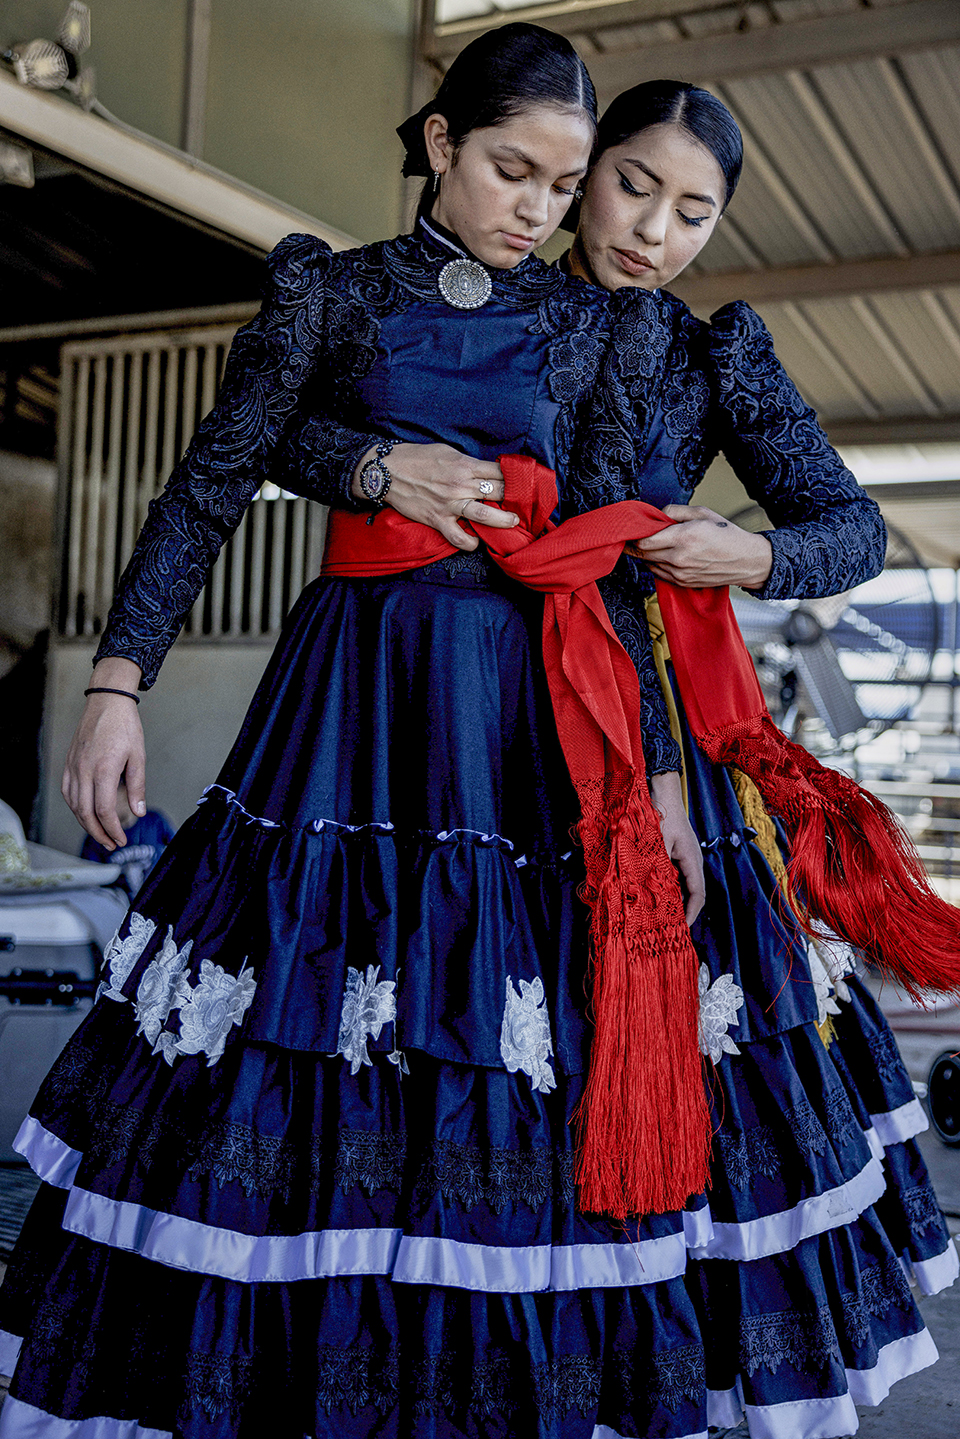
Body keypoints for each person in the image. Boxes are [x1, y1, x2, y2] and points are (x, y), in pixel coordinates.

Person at [0, 24, 720, 1439]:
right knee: (298, 1006)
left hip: (523, 719)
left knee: (488, 1034)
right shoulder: (326, 295)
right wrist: (116, 680)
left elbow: (616, 568)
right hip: (350, 702)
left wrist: (669, 791)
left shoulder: (590, 328)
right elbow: (214, 477)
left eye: (565, 189)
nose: (538, 208)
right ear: (442, 145)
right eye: (513, 169)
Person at [265, 79, 960, 1437]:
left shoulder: (709, 353)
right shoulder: (462, 300)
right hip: (445, 718)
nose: (656, 229)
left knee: (625, 1030)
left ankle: (618, 1366)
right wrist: (366, 467)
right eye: (633, 186)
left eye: (696, 211)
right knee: (427, 1024)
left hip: (629, 716)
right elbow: (284, 426)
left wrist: (746, 551)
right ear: (580, 175)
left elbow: (850, 526)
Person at [80, 782, 174, 897]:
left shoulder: (155, 822)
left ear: (126, 791)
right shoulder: (96, 836)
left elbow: (181, 853)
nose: (102, 805)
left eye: (109, 796)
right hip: (119, 908)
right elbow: (89, 882)